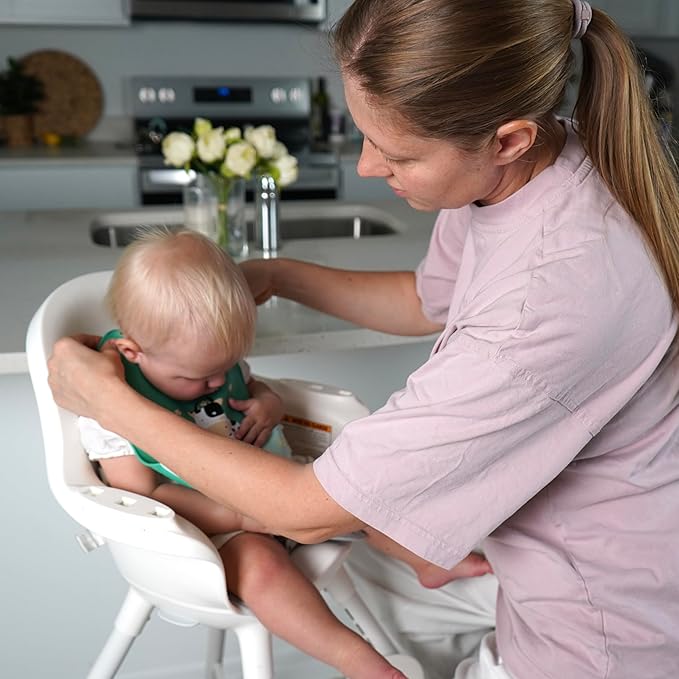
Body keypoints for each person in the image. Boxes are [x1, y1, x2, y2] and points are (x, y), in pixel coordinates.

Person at [46, 1, 679, 677]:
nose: (369, 166)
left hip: (600, 624)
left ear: (507, 140)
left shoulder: (548, 298)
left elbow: (305, 510)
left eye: (399, 152)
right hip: (548, 549)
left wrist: (106, 400)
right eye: (365, 135)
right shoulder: (523, 171)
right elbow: (425, 298)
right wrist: (278, 275)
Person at [76, 227, 418, 679]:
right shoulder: (110, 406)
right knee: (263, 570)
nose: (218, 384)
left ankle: (424, 560)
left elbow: (251, 386)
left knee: (357, 496)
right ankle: (355, 659)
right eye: (199, 378)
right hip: (206, 537)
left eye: (226, 367)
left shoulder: (204, 358)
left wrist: (268, 401)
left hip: (276, 491)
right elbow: (146, 497)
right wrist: (241, 517)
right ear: (131, 351)